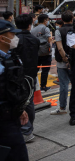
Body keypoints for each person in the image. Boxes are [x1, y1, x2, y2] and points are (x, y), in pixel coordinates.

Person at [0, 20, 30, 161]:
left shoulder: (9, 56)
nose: (15, 38)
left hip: (11, 115)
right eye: (12, 34)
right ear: (2, 38)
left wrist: (19, 109)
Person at [51, 11, 75, 115]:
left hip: (62, 61)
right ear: (72, 19)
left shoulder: (59, 31)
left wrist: (65, 58)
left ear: (62, 19)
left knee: (64, 85)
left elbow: (59, 48)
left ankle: (62, 107)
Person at [14, 14, 40, 143]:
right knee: (29, 101)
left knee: (18, 101)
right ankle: (28, 129)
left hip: (17, 75)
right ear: (30, 25)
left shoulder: (15, 39)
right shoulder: (35, 40)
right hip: (31, 75)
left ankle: (25, 130)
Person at [31, 14, 53, 92]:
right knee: (45, 70)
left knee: (35, 70)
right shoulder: (45, 28)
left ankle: (33, 86)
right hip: (46, 53)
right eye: (47, 20)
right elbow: (49, 39)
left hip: (36, 53)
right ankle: (43, 86)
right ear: (45, 20)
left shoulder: (33, 29)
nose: (48, 21)